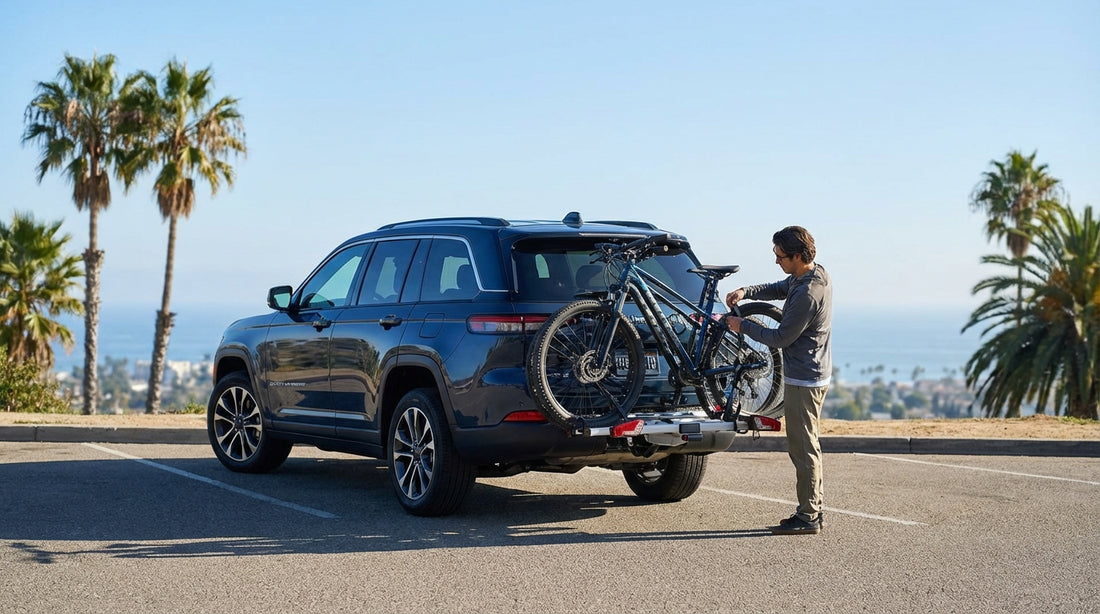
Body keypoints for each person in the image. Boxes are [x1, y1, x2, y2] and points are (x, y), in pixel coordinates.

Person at [725, 226, 832, 536]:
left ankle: (809, 515)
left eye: (780, 256)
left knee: (803, 446)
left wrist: (741, 325)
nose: (777, 261)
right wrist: (747, 291)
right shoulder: (811, 275)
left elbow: (781, 337)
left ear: (798, 256)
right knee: (804, 443)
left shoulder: (808, 295)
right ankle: (812, 509)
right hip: (809, 373)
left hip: (805, 379)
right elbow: (780, 286)